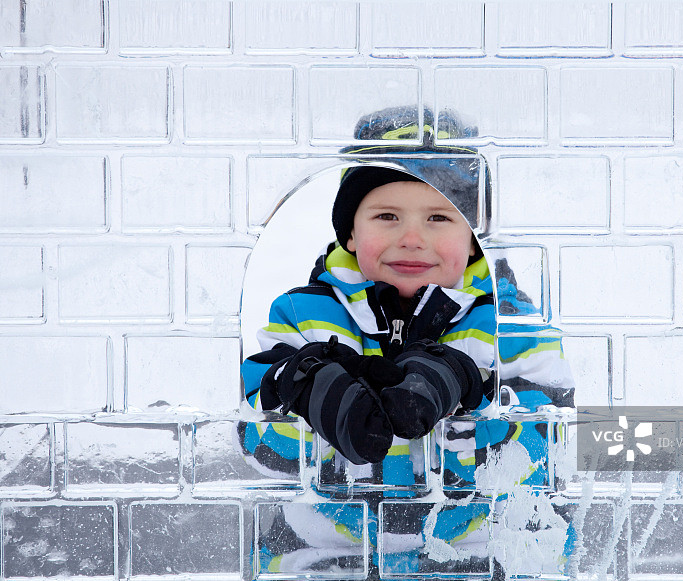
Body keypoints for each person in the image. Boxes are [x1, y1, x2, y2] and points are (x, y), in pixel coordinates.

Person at [238, 106, 575, 578]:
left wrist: (466, 386)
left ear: (474, 237)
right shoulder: (302, 316)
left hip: (484, 556)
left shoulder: (512, 326)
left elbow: (547, 450)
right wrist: (307, 386)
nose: (412, 238)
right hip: (327, 558)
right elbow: (260, 447)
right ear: (351, 231)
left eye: (439, 217)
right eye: (387, 215)